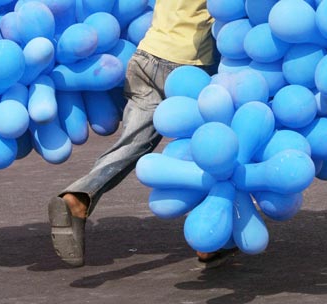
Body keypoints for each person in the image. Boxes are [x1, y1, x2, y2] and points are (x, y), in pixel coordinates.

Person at [48, 0, 236, 268]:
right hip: (187, 65)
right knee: (208, 145)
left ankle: (79, 196)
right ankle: (208, 238)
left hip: (145, 58)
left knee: (133, 143)